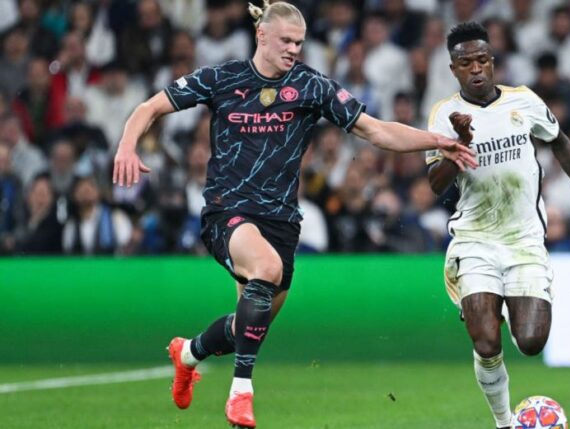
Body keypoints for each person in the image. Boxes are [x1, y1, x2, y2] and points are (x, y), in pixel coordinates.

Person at [112, 2, 476, 428]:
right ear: (261, 36)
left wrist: (438, 140)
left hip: (282, 222)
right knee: (265, 270)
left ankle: (188, 353)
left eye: (299, 43)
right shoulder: (222, 78)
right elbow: (149, 108)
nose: (293, 49)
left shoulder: (311, 86)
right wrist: (127, 146)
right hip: (227, 210)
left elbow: (376, 130)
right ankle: (241, 393)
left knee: (248, 324)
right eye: (285, 40)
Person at [425, 22, 570, 429]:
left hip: (523, 239)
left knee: (532, 341)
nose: (475, 69)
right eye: (465, 63)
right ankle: (505, 423)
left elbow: (560, 141)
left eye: (482, 60)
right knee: (486, 341)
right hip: (475, 238)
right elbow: (435, 184)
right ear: (453, 69)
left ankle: (493, 307)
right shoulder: (444, 115)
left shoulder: (524, 100)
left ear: (493, 61)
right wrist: (460, 144)